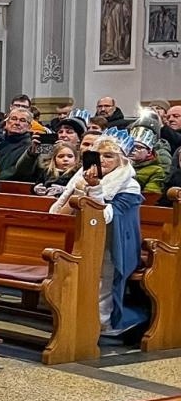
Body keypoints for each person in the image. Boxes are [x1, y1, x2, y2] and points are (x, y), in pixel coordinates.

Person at [50, 132, 146, 338]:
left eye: (109, 156)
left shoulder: (130, 186)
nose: (102, 160)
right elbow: (60, 211)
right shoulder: (81, 179)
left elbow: (107, 216)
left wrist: (94, 189)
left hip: (117, 242)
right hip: (85, 239)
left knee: (104, 279)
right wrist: (79, 190)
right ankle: (79, 316)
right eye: (98, 155)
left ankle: (104, 322)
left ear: (121, 159)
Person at [0, 104, 41, 182]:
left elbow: (17, 171)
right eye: (14, 119)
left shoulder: (33, 146)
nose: (17, 123)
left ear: (29, 126)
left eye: (22, 120)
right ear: (7, 122)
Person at [128, 127, 168, 195]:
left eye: (138, 147)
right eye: (131, 146)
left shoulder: (157, 170)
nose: (133, 150)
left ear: (149, 152)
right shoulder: (120, 164)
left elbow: (150, 195)